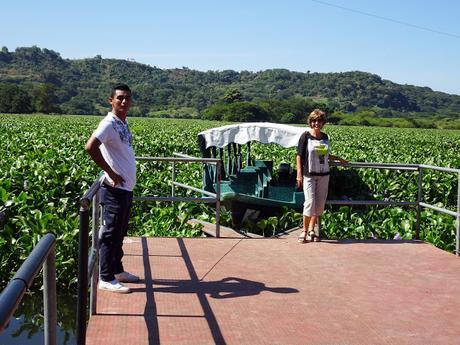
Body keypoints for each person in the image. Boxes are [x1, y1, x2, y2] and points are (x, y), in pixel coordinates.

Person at [85, 83, 139, 293]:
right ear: (111, 100)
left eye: (127, 98)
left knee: (119, 233)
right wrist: (111, 172)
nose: (124, 101)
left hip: (126, 189)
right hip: (114, 190)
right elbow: (90, 147)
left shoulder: (122, 122)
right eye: (120, 98)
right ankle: (106, 278)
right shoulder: (108, 123)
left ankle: (117, 270)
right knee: (110, 234)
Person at [296, 109, 348, 243]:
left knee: (319, 205)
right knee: (309, 203)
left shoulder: (325, 137)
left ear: (323, 122)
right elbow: (299, 156)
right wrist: (299, 175)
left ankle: (312, 229)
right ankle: (304, 231)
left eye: (319, 121)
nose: (316, 123)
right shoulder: (305, 136)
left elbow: (325, 155)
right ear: (310, 122)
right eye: (314, 121)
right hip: (309, 175)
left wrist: (339, 159)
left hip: (324, 174)